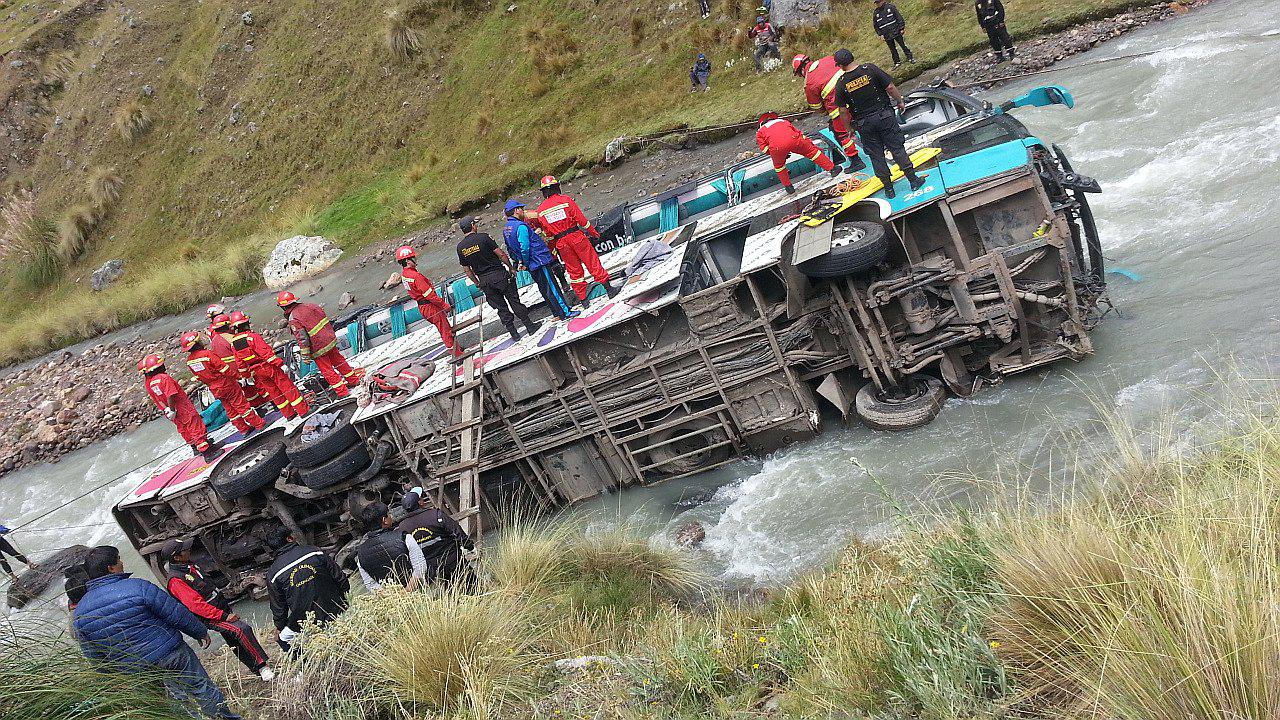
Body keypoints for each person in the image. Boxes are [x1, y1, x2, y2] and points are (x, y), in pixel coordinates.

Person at [72, 545, 241, 720]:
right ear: (111, 568)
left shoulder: (80, 613)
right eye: (119, 559)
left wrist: (113, 681)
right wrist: (199, 631)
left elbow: (95, 657)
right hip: (171, 653)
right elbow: (174, 612)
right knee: (200, 687)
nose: (122, 562)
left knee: (168, 704)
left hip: (136, 670)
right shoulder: (139, 587)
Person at [162, 537, 273, 681]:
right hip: (211, 616)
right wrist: (223, 616)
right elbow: (196, 605)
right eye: (185, 550)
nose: (189, 551)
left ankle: (256, 670)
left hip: (220, 605)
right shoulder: (176, 580)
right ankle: (263, 666)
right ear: (176, 557)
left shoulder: (188, 565)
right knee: (241, 629)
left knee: (234, 641)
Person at [832, 48, 927, 199]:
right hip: (884, 117)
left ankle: (889, 189)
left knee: (876, 156)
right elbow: (889, 87)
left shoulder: (841, 83)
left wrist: (849, 129)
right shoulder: (870, 69)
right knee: (897, 148)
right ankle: (913, 180)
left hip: (864, 124)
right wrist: (900, 100)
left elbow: (842, 111)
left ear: (840, 65)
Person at [534, 176, 620, 302]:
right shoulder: (566, 200)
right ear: (556, 187)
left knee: (574, 271)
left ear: (544, 192)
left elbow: (547, 232)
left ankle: (583, 300)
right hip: (576, 237)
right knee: (592, 263)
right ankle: (609, 290)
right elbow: (582, 220)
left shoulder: (541, 210)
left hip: (561, 243)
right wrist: (593, 232)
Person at [264, 527, 349, 654]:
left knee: (282, 639)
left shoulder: (273, 573)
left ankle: (305, 663)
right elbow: (341, 580)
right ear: (290, 539)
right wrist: (343, 602)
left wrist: (280, 627)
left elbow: (279, 609)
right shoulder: (314, 552)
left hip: (307, 621)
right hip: (337, 608)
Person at [457, 216, 541, 340]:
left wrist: (477, 283)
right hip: (499, 275)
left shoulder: (460, 248)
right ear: (473, 226)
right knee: (514, 301)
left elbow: (467, 270)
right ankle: (529, 326)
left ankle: (514, 333)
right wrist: (511, 268)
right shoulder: (484, 238)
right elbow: (501, 254)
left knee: (501, 308)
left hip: (484, 281)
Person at [503, 200, 579, 321]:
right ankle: (565, 312)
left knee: (544, 288)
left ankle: (556, 313)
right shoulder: (521, 226)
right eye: (521, 209)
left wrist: (520, 262)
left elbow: (511, 248)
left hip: (531, 264)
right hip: (538, 261)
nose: (523, 211)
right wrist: (527, 261)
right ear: (516, 211)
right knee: (552, 287)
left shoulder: (507, 228)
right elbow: (525, 246)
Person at [227, 311, 311, 420]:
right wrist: (280, 364)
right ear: (245, 323)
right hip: (268, 366)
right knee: (288, 388)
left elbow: (240, 362)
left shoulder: (234, 343)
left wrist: (246, 376)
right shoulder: (252, 337)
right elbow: (266, 353)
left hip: (257, 370)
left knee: (274, 393)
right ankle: (303, 411)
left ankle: (289, 415)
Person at [277, 291, 364, 397]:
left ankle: (343, 392)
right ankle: (353, 380)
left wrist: (305, 356)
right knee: (340, 361)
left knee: (327, 370)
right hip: (329, 339)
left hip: (318, 347)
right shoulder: (310, 305)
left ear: (284, 307)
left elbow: (302, 338)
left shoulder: (293, 318)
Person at [180, 330, 265, 436]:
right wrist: (238, 377)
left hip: (214, 388)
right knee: (241, 405)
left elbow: (198, 377)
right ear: (197, 342)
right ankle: (259, 424)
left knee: (230, 409)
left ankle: (244, 429)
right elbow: (224, 368)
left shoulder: (189, 361)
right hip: (226, 383)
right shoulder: (207, 354)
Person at [139, 353, 219, 461]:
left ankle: (197, 447)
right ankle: (207, 453)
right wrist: (172, 409)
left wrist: (168, 410)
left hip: (172, 411)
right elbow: (170, 394)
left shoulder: (152, 382)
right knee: (195, 427)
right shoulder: (164, 378)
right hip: (181, 407)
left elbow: (157, 399)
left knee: (184, 429)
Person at [792, 53, 865, 170]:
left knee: (841, 134)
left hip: (839, 108)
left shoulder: (809, 82)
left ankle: (856, 161)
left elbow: (816, 106)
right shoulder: (828, 59)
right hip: (857, 95)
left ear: (801, 70)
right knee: (865, 121)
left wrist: (826, 112)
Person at [398, 488, 476, 588]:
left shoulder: (402, 527)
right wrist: (470, 547)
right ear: (420, 502)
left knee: (450, 590)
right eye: (421, 498)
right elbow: (457, 532)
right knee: (471, 583)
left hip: (432, 568)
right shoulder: (435, 515)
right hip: (453, 559)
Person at [394, 245, 462, 359]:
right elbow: (430, 295)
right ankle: (458, 356)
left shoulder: (405, 275)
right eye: (413, 258)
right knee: (446, 332)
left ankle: (457, 350)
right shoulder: (415, 276)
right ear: (407, 260)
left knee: (444, 330)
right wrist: (444, 305)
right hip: (430, 306)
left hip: (423, 307)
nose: (415, 260)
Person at [756, 112, 842, 194]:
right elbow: (798, 134)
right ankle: (833, 169)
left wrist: (778, 154)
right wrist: (810, 144)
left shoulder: (760, 131)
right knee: (812, 152)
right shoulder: (783, 121)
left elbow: (764, 149)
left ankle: (789, 187)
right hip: (794, 140)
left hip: (776, 148)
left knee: (779, 167)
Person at [354, 502, 429, 593]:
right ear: (384, 520)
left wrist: (393, 597)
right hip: (418, 593)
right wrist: (406, 592)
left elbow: (370, 584)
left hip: (392, 602)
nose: (390, 516)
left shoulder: (361, 553)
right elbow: (420, 568)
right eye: (388, 514)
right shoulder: (404, 537)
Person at [873, 0, 914, 67]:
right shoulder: (876, 13)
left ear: (883, 1)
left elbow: (899, 17)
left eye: (879, 2)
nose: (878, 4)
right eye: (876, 3)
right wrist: (880, 34)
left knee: (903, 45)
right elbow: (876, 25)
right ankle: (897, 62)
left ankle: (910, 58)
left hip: (896, 31)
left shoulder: (890, 7)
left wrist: (901, 28)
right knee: (892, 49)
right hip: (886, 34)